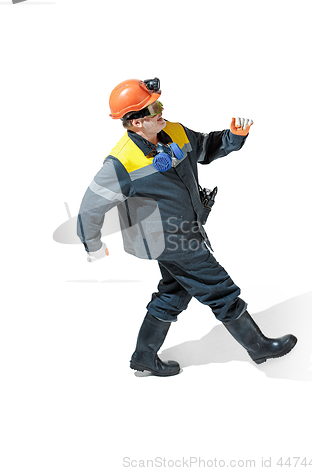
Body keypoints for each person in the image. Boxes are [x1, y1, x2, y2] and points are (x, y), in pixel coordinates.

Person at [77, 78, 297, 377]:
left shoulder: (175, 131)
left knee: (173, 293)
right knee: (220, 289)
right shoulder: (120, 162)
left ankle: (144, 356)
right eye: (152, 108)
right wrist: (92, 244)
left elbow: (205, 147)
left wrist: (232, 137)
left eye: (158, 104)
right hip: (171, 239)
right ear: (136, 122)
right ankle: (257, 347)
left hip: (187, 229)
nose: (160, 111)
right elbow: (90, 207)